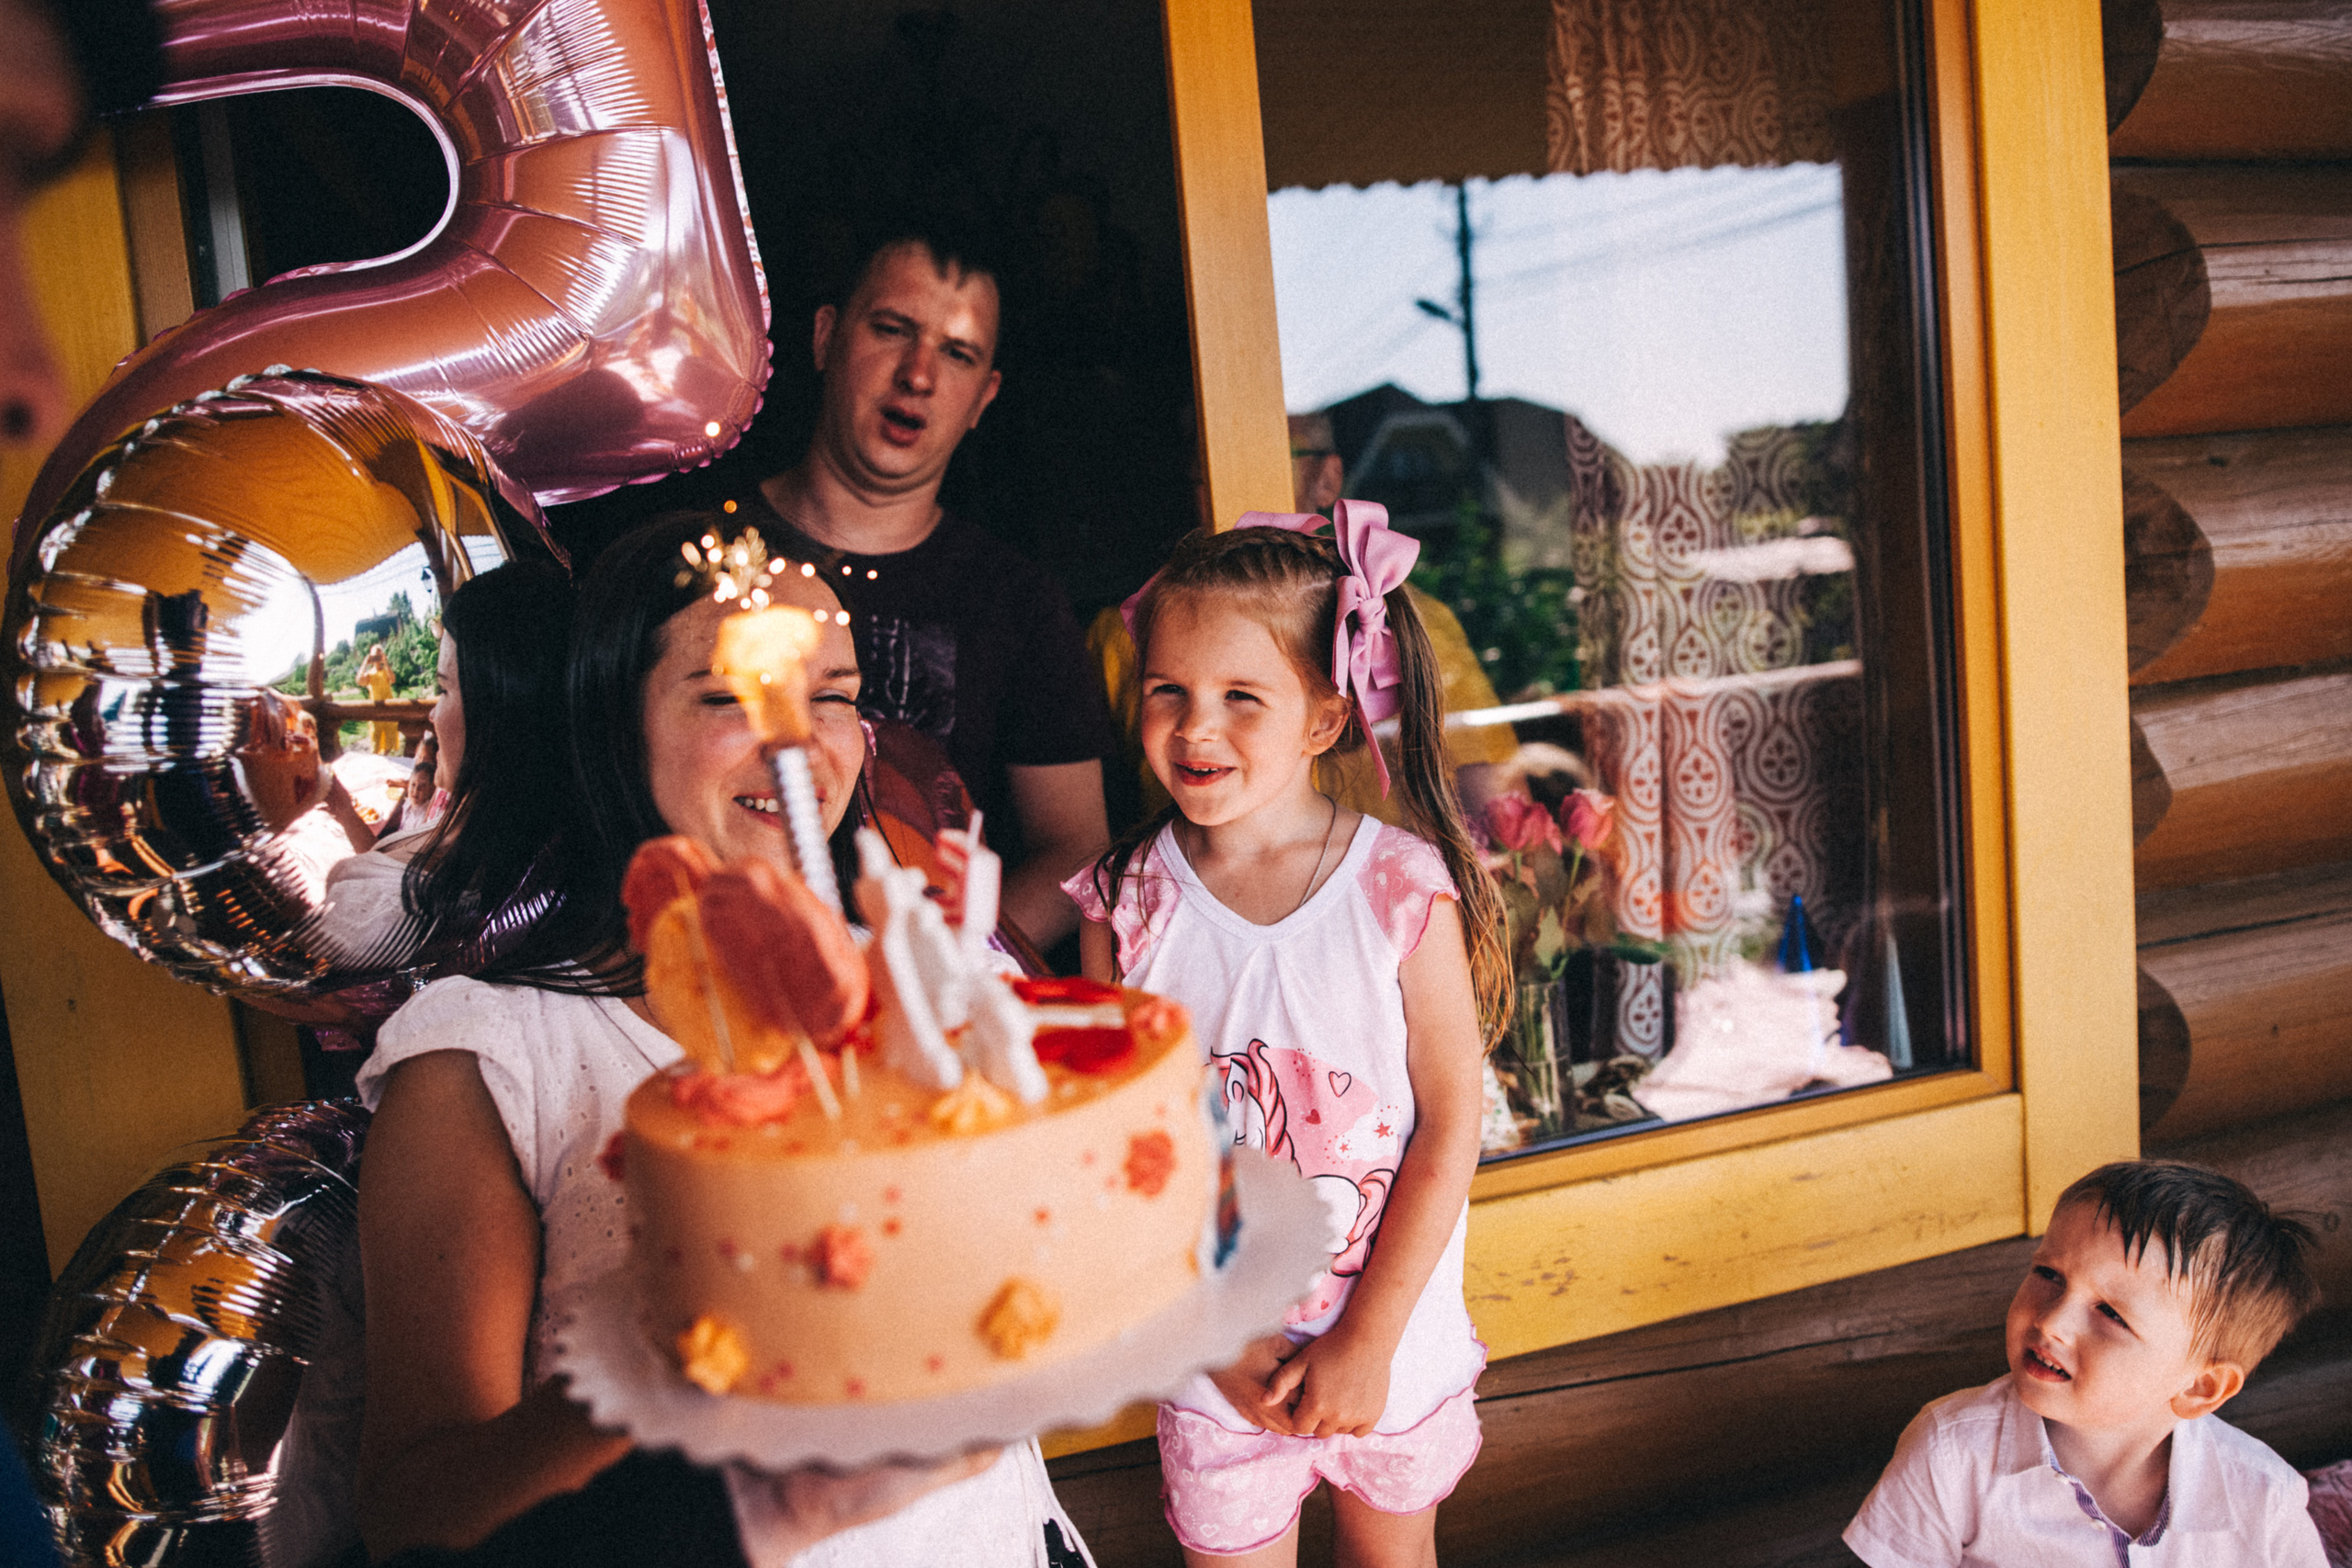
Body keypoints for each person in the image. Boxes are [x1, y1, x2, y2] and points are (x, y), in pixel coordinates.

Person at [354, 513, 1093, 1566]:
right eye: (729, 695)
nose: (799, 745)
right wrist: (678, 1352)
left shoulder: (935, 984)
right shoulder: (489, 1061)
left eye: (831, 697)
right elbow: (414, 1517)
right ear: (615, 719)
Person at [1067, 506, 1510, 1567]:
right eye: (1168, 690)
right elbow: (1122, 1154)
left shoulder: (1400, 889)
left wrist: (1367, 1340)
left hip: (1390, 1355)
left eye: (1240, 698)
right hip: (1221, 1360)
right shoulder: (1124, 905)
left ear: (1322, 716)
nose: (1194, 727)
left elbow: (1451, 1120)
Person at [738, 219, 1114, 949]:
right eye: (892, 328)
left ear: (984, 398)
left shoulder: (1019, 602)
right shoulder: (701, 554)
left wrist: (942, 964)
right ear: (824, 336)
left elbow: (1075, 850)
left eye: (957, 352)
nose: (918, 373)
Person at [1843, 1159, 2326, 1567]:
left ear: (2200, 1387)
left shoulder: (2264, 1501)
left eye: (2111, 1313)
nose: (2053, 1322)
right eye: (2049, 1274)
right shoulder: (1951, 1451)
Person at [1091, 412, 1517, 833]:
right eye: (1205, 465)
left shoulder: (1386, 621)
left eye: (1269, 455)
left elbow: (1493, 806)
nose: (1197, 727)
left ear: (1327, 478)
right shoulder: (1124, 634)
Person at [356, 642, 401, 754]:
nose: (377, 658)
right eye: (375, 655)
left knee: (389, 740)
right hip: (375, 710)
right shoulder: (369, 674)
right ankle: (376, 762)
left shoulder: (386, 671)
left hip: (389, 709)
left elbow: (393, 679)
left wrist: (385, 663)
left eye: (379, 655)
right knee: (376, 741)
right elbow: (359, 681)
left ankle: (385, 759)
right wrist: (365, 663)